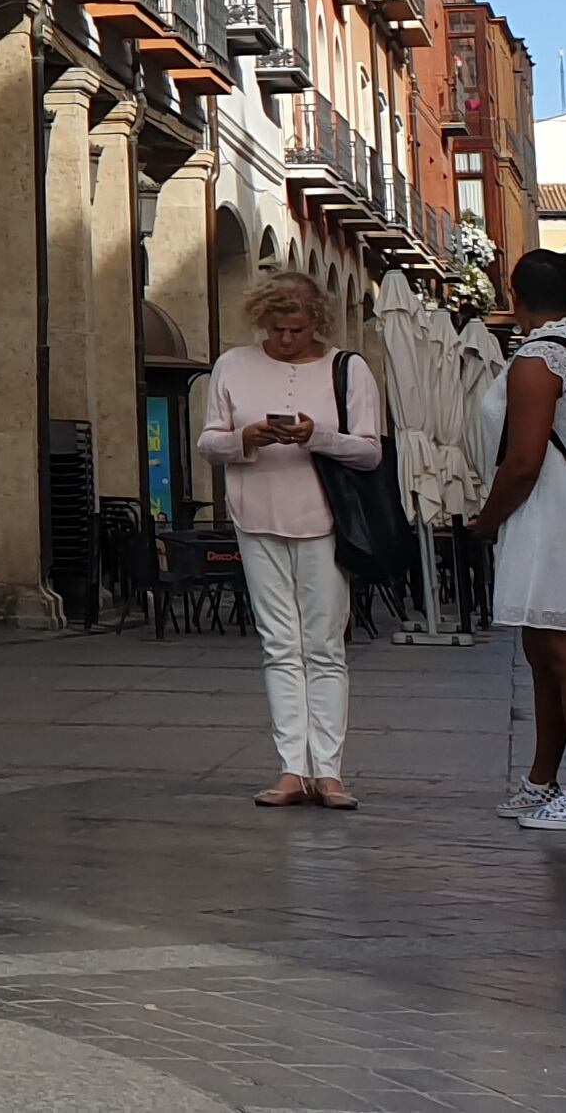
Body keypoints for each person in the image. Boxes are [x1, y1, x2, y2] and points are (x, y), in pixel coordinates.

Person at [195, 270, 387, 811]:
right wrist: (245, 438)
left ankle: (328, 771)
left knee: (324, 645)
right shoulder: (232, 365)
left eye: (297, 330)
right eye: (277, 329)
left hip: (324, 519)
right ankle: (291, 769)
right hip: (255, 516)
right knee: (279, 644)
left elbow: (370, 451)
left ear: (317, 323)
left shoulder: (348, 371)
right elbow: (209, 443)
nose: (285, 340)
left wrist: (316, 437)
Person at [479, 249, 566, 832]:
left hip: (554, 519)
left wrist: (485, 521)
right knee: (544, 655)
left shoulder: (538, 358)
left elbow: (523, 461)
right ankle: (543, 780)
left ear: (515, 298)